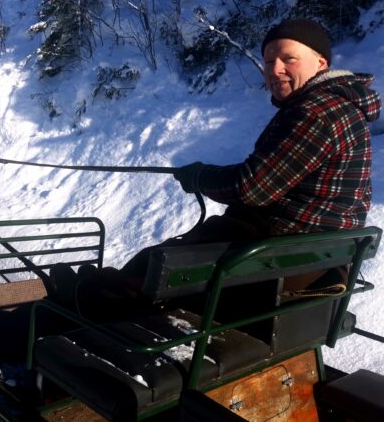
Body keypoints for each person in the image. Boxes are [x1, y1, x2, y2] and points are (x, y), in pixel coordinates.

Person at [50, 18, 381, 319]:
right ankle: (100, 292)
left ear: (320, 63)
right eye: (268, 61)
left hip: (280, 253)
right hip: (309, 254)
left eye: (287, 59)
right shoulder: (338, 108)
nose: (275, 69)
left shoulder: (316, 111)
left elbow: (253, 188)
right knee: (172, 252)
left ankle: (87, 303)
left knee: (164, 264)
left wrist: (200, 176)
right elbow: (272, 176)